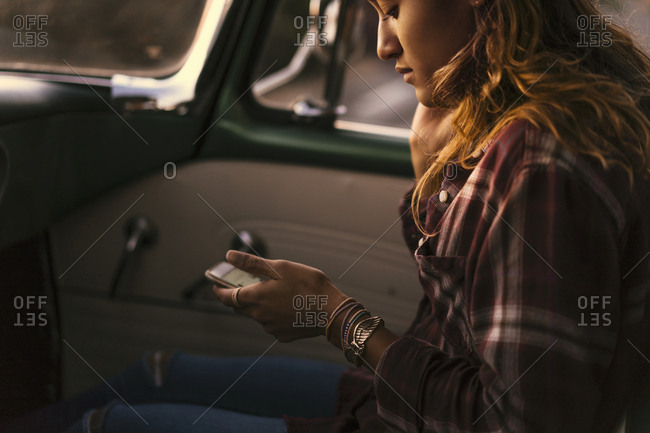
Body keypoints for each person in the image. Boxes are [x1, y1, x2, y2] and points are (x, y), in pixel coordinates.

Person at [5, 0, 650, 432]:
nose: (383, 40)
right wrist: (429, 167)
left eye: (396, 8)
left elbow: (517, 423)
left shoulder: (540, 163)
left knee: (109, 426)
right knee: (154, 374)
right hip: (389, 407)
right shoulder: (506, 126)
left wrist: (339, 319)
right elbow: (455, 313)